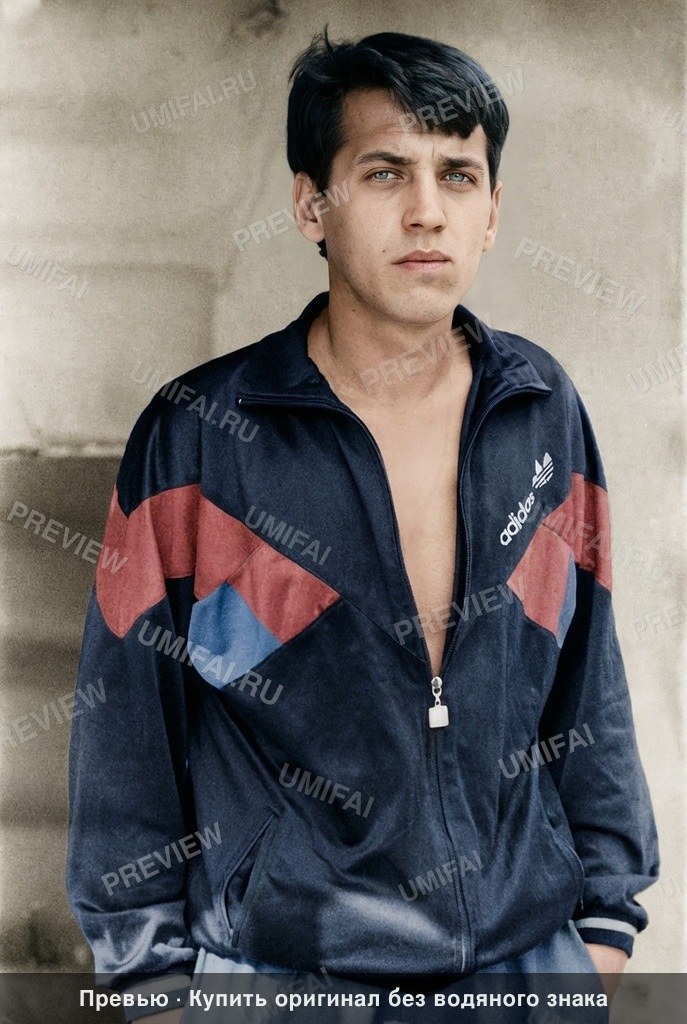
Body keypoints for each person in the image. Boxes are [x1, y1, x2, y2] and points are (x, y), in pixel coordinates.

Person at [66, 30, 659, 1023]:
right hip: (279, 978)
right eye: (385, 172)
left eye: (457, 175)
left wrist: (600, 928)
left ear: (491, 212)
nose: (427, 209)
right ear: (312, 205)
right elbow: (125, 729)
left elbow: (586, 675)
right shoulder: (201, 437)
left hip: (524, 968)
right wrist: (151, 986)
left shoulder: (539, 406)